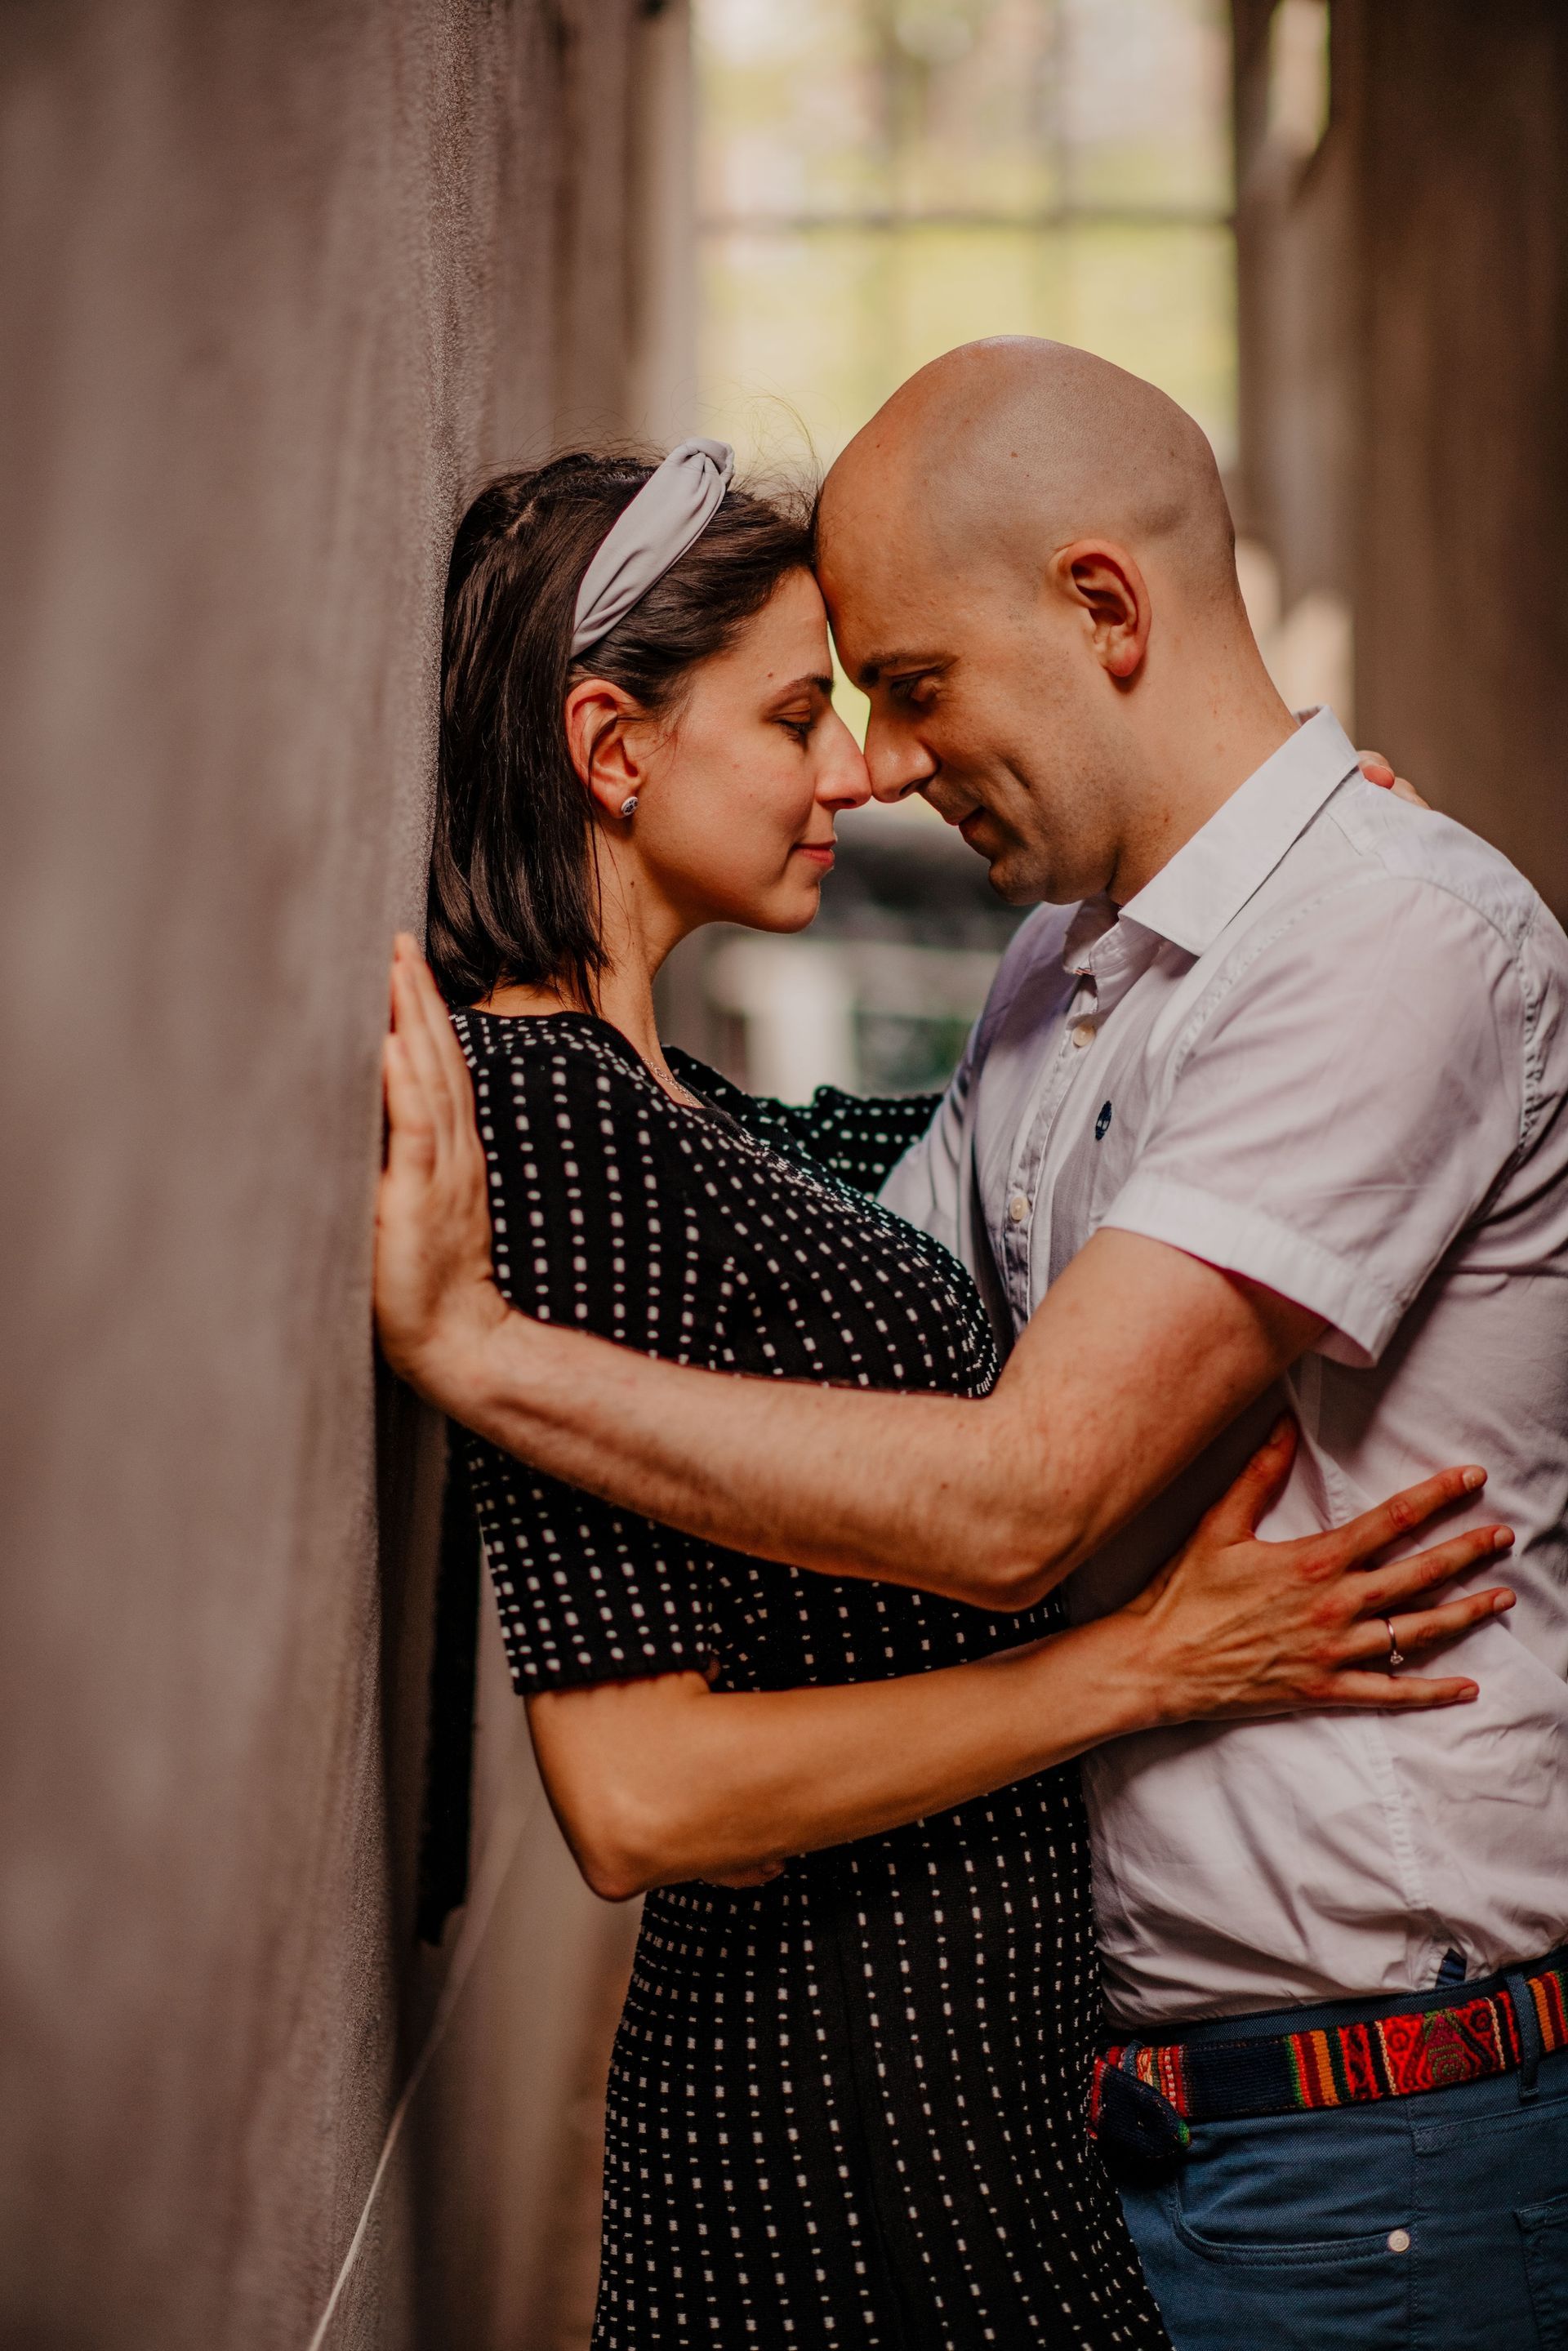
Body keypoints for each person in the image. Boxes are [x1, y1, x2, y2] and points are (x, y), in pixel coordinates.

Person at [378, 345, 1568, 2351]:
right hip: (1108, 2125)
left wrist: (483, 1353)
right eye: (826, 708)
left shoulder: (1386, 944)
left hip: (1363, 2138)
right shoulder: (1060, 979)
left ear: (1103, 608)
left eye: (911, 686)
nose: (884, 764)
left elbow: (1019, 1499)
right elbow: (841, 1262)